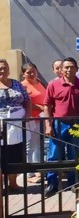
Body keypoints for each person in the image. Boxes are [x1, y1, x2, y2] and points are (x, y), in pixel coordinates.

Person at [43, 57, 79, 196]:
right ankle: (52, 183)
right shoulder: (53, 85)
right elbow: (47, 105)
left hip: (77, 124)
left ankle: (73, 183)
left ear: (76, 68)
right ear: (61, 70)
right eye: (66, 67)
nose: (69, 70)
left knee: (74, 154)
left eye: (71, 67)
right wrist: (48, 125)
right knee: (54, 155)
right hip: (59, 124)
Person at [0, 59, 32, 192]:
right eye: (0, 68)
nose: (2, 71)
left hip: (18, 123)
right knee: (2, 155)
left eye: (4, 68)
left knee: (16, 153)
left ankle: (12, 183)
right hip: (1, 124)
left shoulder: (17, 84)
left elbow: (27, 101)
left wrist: (26, 116)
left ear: (8, 69)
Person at [21, 63, 47, 179]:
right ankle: (29, 171)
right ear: (23, 74)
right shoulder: (23, 86)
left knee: (39, 144)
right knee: (30, 145)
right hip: (31, 118)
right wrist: (40, 108)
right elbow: (26, 102)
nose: (31, 74)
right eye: (28, 72)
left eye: (33, 71)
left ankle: (38, 168)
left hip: (41, 118)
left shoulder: (40, 82)